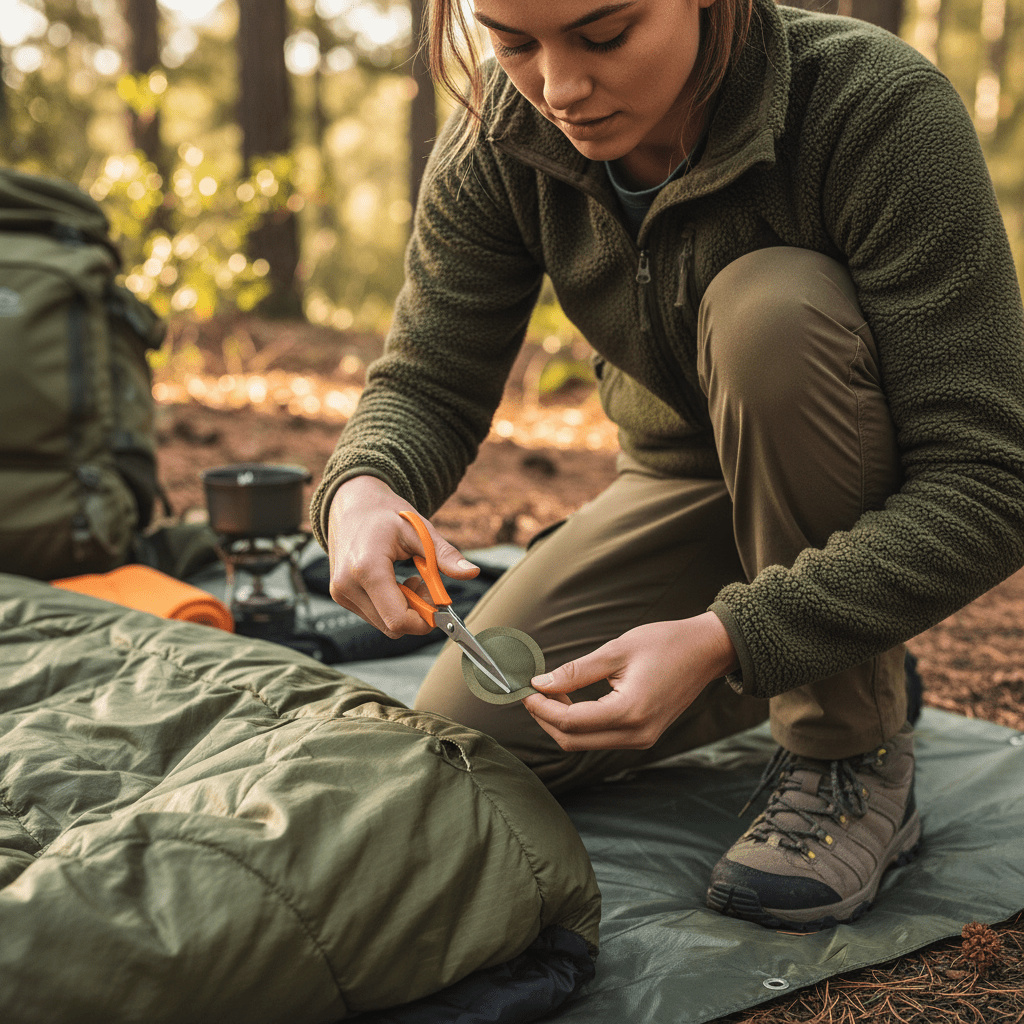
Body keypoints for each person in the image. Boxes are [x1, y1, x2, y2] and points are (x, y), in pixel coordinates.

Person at [312, 0, 1024, 932]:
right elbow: (427, 381)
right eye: (513, 41)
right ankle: (836, 634)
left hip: (859, 463)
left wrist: (725, 641)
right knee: (484, 729)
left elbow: (991, 480)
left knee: (770, 310)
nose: (559, 88)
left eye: (604, 35)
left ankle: (846, 741)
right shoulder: (501, 132)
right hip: (677, 481)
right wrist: (363, 490)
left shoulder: (871, 107)